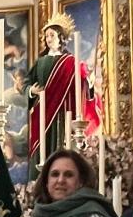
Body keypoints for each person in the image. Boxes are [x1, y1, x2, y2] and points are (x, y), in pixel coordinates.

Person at [24, 17, 100, 175]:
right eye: (46, 36)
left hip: (64, 114)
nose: (48, 39)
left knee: (62, 147)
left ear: (61, 38)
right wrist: (32, 91)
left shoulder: (72, 62)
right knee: (42, 150)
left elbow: (82, 85)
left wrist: (89, 82)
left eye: (52, 35)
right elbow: (26, 84)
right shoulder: (40, 62)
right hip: (43, 113)